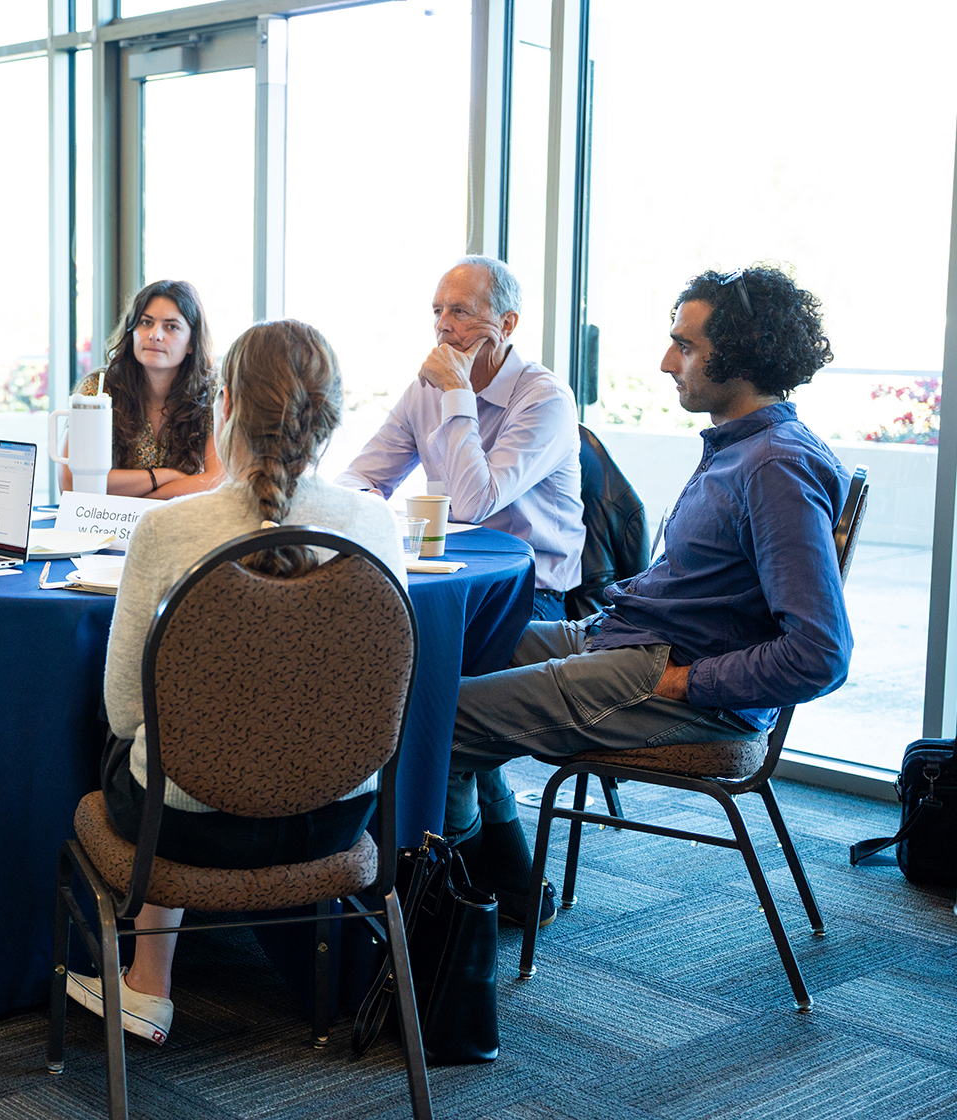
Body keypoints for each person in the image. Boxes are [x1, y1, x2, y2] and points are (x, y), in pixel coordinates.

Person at [443, 265, 852, 928]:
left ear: (741, 353)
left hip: (669, 673)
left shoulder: (774, 466)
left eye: (685, 347)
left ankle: (448, 921)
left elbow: (820, 654)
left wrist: (689, 683)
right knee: (447, 655)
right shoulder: (744, 448)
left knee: (437, 718)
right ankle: (501, 885)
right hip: (629, 639)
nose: (667, 363)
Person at [64, 319, 407, 1045]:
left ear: (223, 405)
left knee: (143, 750)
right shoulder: (376, 526)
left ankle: (146, 982)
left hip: (188, 828)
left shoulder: (167, 532)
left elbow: (124, 713)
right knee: (199, 744)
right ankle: (152, 981)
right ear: (332, 416)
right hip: (336, 817)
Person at [337, 255, 584, 622]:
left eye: (460, 312)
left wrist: (457, 391)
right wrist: (364, 500)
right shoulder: (424, 392)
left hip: (528, 595)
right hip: (448, 579)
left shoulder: (545, 399)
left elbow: (473, 505)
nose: (443, 326)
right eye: (437, 311)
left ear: (507, 322)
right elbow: (356, 479)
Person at [62, 279, 225, 498]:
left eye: (172, 327)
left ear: (191, 343)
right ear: (132, 332)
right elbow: (72, 484)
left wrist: (142, 507)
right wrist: (164, 476)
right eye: (146, 323)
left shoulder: (212, 391)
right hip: (105, 527)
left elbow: (217, 481)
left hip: (182, 525)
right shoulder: (98, 388)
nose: (155, 335)